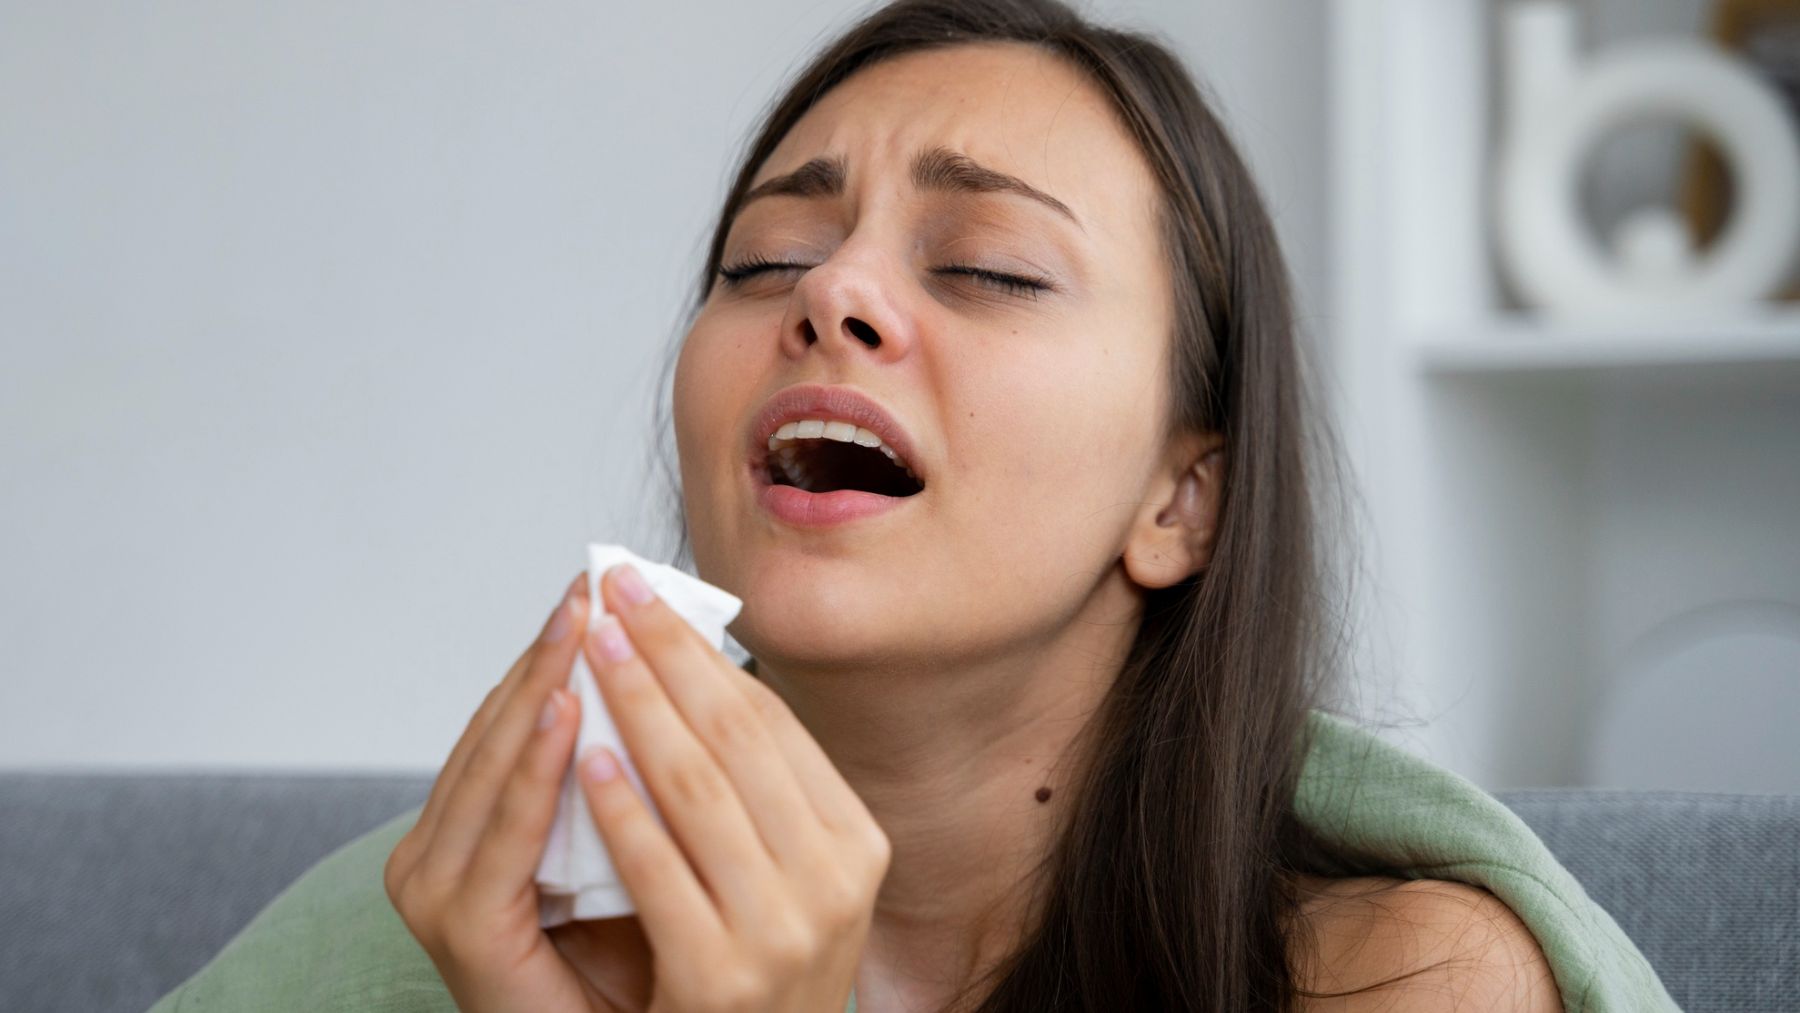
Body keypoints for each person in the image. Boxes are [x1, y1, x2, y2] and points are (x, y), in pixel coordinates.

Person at [152, 1, 1675, 1010]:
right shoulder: (422, 937)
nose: (830, 292)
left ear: (1182, 497)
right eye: (763, 261)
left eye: (991, 268)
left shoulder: (1405, 985)